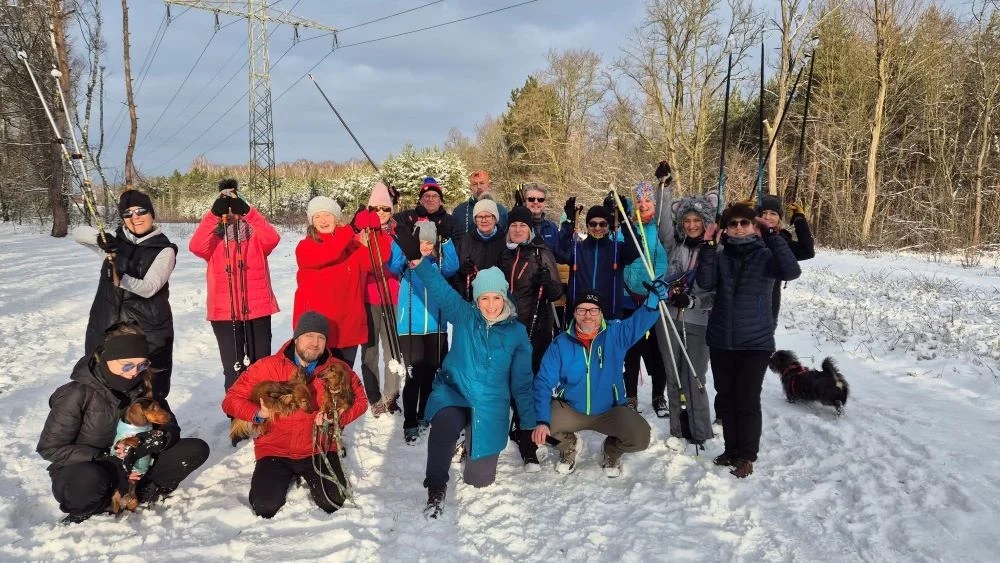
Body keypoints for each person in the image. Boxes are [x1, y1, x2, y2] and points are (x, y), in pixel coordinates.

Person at [392, 225, 534, 519]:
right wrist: (417, 260)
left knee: (478, 480)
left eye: (496, 298)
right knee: (443, 426)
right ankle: (435, 487)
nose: (491, 305)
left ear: (504, 299)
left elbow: (522, 383)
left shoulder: (517, 334)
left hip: (490, 403)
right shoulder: (466, 315)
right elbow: (440, 289)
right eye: (484, 299)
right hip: (455, 391)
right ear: (476, 299)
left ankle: (470, 440)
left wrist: (529, 424)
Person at [37, 324, 209, 524]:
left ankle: (143, 492)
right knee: (89, 477)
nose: (134, 372)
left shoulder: (144, 385)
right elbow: (50, 448)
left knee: (195, 449)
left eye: (141, 365)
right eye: (127, 365)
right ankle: (91, 508)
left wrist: (157, 439)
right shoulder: (77, 393)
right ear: (108, 358)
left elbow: (170, 425)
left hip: (135, 464)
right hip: (88, 468)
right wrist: (103, 456)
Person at [222, 312, 368, 518]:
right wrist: (258, 413)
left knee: (333, 501)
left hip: (319, 448)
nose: (315, 343)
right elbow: (230, 401)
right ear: (296, 338)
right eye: (309, 335)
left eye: (321, 337)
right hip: (275, 450)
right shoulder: (267, 366)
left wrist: (337, 418)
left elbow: (362, 402)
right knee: (264, 505)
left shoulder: (337, 369)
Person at [696, 202, 801, 478]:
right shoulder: (719, 255)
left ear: (754, 226)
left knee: (747, 400)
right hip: (721, 340)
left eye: (745, 223)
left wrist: (773, 235)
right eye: (733, 224)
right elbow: (705, 283)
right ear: (726, 229)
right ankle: (730, 449)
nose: (739, 228)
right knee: (726, 398)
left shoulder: (766, 254)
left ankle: (747, 455)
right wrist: (707, 246)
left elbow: (792, 271)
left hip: (755, 342)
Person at [532, 282, 667, 477]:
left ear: (602, 314)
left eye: (594, 310)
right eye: (582, 310)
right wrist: (542, 420)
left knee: (640, 437)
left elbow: (638, 323)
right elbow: (543, 382)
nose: (588, 315)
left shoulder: (615, 335)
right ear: (574, 313)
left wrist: (652, 303)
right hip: (572, 409)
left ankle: (611, 451)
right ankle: (568, 445)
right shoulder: (560, 343)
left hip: (610, 411)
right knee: (538, 423)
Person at [75, 189, 178, 401]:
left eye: (141, 211)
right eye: (128, 213)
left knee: (146, 388)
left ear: (151, 214)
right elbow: (78, 233)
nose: (136, 217)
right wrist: (100, 239)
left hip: (146, 329)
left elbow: (149, 287)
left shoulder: (164, 250)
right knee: (103, 383)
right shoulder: (114, 244)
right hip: (107, 324)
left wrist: (119, 276)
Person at [188, 178, 280, 396]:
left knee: (261, 367)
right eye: (225, 204)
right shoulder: (214, 238)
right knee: (233, 369)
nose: (230, 210)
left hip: (257, 311)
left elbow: (273, 238)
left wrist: (249, 213)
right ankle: (237, 418)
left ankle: (262, 416)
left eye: (234, 203)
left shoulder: (256, 236)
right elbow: (195, 246)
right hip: (224, 314)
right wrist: (212, 216)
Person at [497, 205, 563, 471]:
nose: (517, 230)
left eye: (522, 226)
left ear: (530, 228)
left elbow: (556, 291)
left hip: (534, 328)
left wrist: (547, 283)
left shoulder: (540, 253)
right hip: (507, 327)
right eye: (513, 226)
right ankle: (518, 426)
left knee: (530, 383)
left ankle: (529, 443)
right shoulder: (503, 253)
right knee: (511, 380)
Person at [656, 184, 719, 448]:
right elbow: (662, 226)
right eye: (687, 220)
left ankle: (701, 430)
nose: (692, 225)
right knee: (673, 377)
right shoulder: (674, 246)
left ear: (706, 222)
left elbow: (718, 293)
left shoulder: (717, 250)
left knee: (695, 377)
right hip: (668, 319)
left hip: (699, 322)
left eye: (697, 220)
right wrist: (664, 189)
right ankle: (677, 429)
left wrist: (694, 300)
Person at [388, 220, 459, 444]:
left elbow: (454, 266)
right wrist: (404, 244)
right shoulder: (406, 264)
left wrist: (446, 242)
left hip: (436, 327)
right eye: (421, 242)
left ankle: (423, 415)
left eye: (430, 242)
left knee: (430, 374)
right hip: (410, 329)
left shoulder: (438, 264)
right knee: (413, 377)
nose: (425, 247)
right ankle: (410, 422)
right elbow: (392, 264)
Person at [293, 196, 372, 367]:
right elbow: (329, 253)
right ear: (312, 222)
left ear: (337, 218)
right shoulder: (305, 247)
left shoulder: (349, 245)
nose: (323, 220)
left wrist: (369, 237)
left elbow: (368, 265)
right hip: (318, 330)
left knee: (342, 379)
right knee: (316, 381)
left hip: (348, 327)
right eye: (317, 216)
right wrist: (349, 230)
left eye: (327, 215)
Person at [621, 182, 670, 415]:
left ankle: (659, 394)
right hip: (630, 298)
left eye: (648, 201)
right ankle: (630, 395)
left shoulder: (661, 228)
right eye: (639, 202)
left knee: (658, 349)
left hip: (655, 297)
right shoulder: (628, 227)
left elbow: (665, 259)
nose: (643, 205)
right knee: (632, 350)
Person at [357, 183, 402, 417]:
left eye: (386, 208)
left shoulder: (397, 232)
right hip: (368, 298)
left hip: (393, 297)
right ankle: (373, 396)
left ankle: (391, 395)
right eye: (376, 208)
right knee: (370, 351)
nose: (381, 212)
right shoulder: (361, 234)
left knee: (393, 348)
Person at [557, 196, 640, 320]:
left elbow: (635, 250)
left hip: (608, 314)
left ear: (608, 225)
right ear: (587, 225)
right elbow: (560, 252)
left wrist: (624, 220)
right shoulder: (577, 249)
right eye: (592, 224)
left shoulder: (617, 249)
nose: (597, 228)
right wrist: (569, 222)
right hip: (580, 315)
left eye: (602, 224)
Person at [758, 194, 815, 323]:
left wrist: (799, 219)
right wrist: (743, 212)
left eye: (773, 213)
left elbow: (807, 251)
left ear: (779, 219)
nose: (767, 217)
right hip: (741, 305)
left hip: (769, 305)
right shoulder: (746, 236)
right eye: (763, 212)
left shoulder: (781, 240)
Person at [452, 197, 507, 301]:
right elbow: (453, 273)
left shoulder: (505, 242)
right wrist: (461, 272)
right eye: (479, 217)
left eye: (487, 216)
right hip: (471, 298)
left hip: (497, 300)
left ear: (495, 218)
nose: (483, 220)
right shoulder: (464, 242)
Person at [393, 177, 458, 239]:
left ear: (440, 201)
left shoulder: (451, 221)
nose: (430, 199)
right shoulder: (408, 216)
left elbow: (459, 245)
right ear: (420, 200)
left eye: (435, 196)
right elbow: (387, 220)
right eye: (426, 196)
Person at [452, 170, 509, 236]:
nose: (479, 187)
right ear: (471, 188)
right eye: (475, 184)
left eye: (482, 183)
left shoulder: (501, 211)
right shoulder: (459, 211)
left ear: (489, 185)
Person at [517, 182, 565, 263]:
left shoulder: (552, 228)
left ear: (544, 203)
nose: (536, 202)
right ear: (524, 202)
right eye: (531, 199)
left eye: (540, 199)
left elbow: (562, 257)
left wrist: (568, 229)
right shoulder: (516, 227)